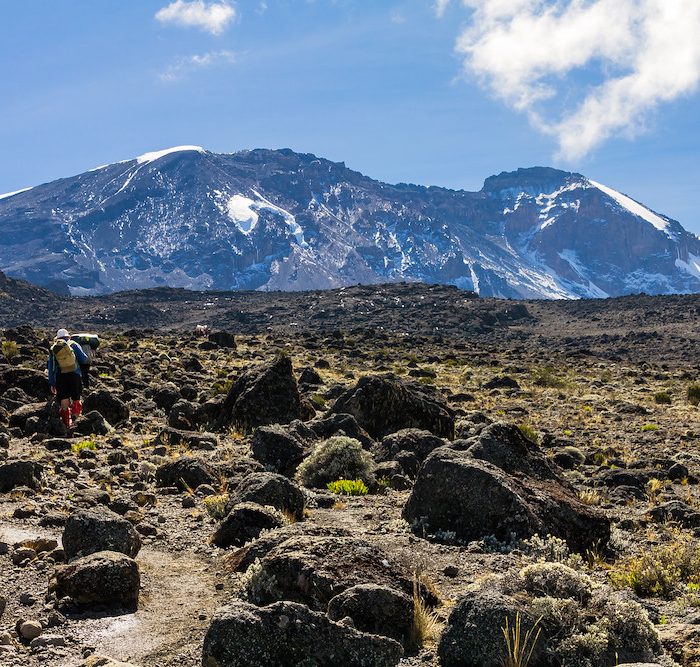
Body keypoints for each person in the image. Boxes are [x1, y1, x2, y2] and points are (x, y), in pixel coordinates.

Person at [48, 328, 89, 429]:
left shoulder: (54, 348)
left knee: (64, 399)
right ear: (68, 336)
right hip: (75, 374)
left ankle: (67, 424)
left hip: (61, 376)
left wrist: (52, 383)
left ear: (57, 338)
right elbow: (84, 359)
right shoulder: (74, 344)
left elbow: (51, 367)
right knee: (76, 398)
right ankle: (76, 421)